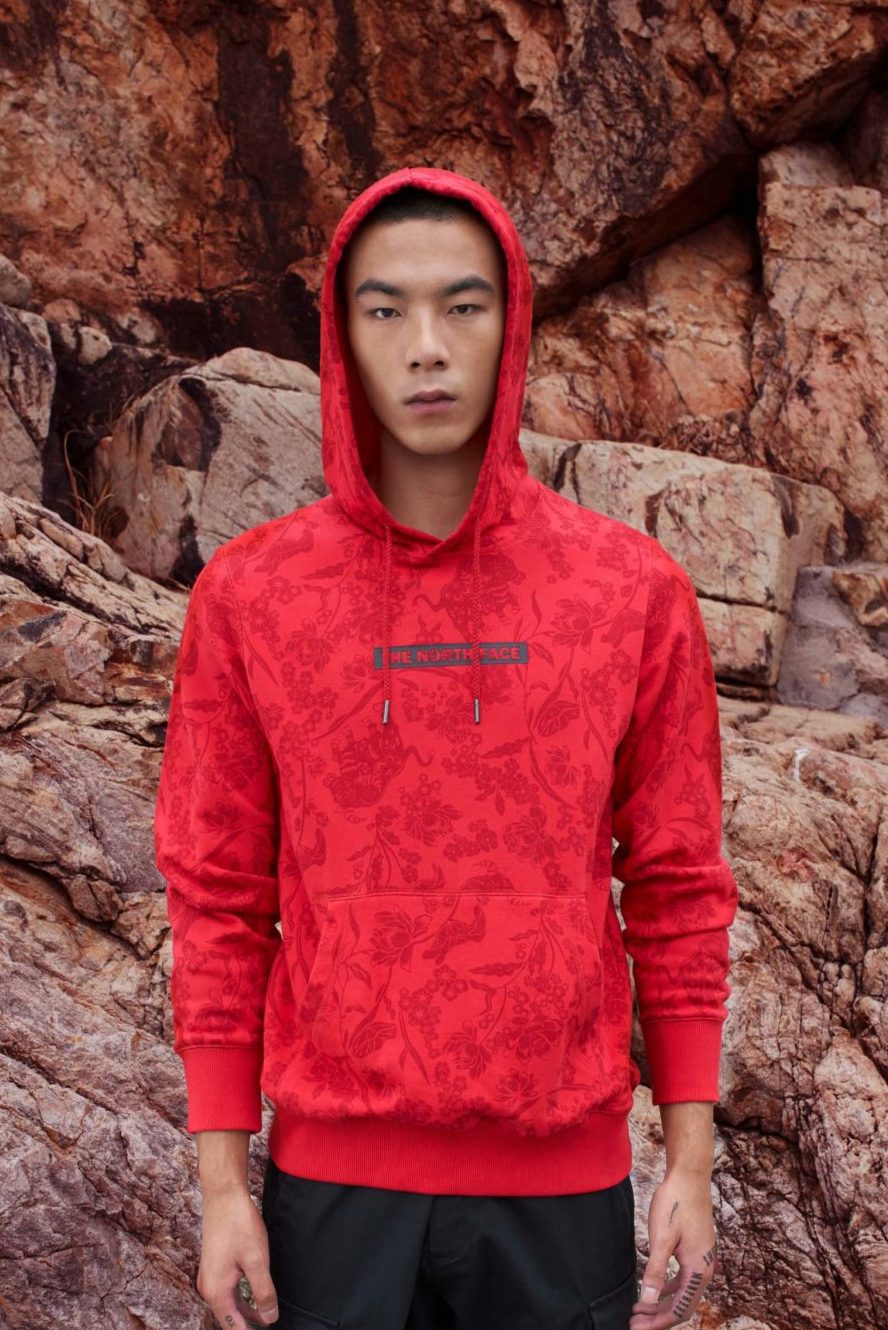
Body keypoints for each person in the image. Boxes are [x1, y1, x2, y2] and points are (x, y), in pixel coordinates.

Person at [154, 165, 739, 1330]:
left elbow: (677, 881)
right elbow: (216, 893)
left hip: (562, 1187)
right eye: (386, 310)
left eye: (462, 306)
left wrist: (689, 1159)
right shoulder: (252, 596)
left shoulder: (631, 591)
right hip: (333, 1190)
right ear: (342, 339)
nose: (426, 347)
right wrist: (223, 1184)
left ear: (510, 325)